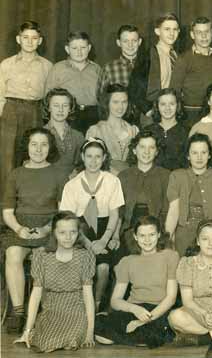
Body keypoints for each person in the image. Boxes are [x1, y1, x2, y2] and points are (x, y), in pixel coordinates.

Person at [2, 128, 64, 333]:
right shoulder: (16, 174)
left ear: (50, 147)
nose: (38, 149)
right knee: (13, 254)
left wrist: (48, 228)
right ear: (26, 147)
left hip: (50, 226)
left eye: (44, 144)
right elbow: (8, 211)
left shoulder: (58, 173)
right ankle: (18, 311)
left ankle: (39, 311)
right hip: (20, 227)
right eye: (34, 144)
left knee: (41, 257)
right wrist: (19, 229)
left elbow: (64, 209)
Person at [13, 211, 96, 352]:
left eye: (73, 232)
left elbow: (88, 296)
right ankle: (35, 334)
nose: (68, 237)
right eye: (62, 232)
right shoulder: (42, 256)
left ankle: (73, 336)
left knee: (72, 339)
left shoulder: (85, 256)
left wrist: (90, 332)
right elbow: (36, 296)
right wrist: (27, 330)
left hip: (76, 311)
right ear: (54, 233)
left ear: (78, 233)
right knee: (45, 341)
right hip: (51, 310)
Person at [59, 138, 124, 311]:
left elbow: (115, 214)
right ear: (82, 156)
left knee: (103, 267)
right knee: (81, 265)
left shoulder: (112, 181)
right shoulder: (72, 185)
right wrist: (87, 243)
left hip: (105, 229)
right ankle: (76, 306)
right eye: (89, 156)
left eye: (97, 156)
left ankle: (95, 308)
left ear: (104, 158)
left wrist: (104, 240)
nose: (93, 161)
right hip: (78, 231)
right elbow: (68, 220)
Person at [94, 216, 178, 348]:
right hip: (134, 308)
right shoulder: (127, 261)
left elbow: (171, 298)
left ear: (159, 234)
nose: (147, 240)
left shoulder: (170, 256)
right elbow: (115, 301)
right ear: (135, 236)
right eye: (142, 235)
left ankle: (132, 336)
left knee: (150, 334)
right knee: (98, 326)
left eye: (151, 235)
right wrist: (134, 309)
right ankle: (134, 337)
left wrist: (143, 321)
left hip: (158, 310)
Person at [0, 21, 53, 192]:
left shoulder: (47, 66)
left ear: (40, 41)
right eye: (25, 38)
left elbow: (48, 96)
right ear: (18, 39)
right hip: (11, 111)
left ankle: (28, 201)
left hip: (34, 111)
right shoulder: (6, 64)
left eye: (34, 38)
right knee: (8, 159)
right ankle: (5, 207)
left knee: (33, 156)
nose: (30, 42)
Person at [165, 133, 212, 256]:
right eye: (194, 153)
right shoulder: (177, 176)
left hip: (210, 234)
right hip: (184, 234)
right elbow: (173, 211)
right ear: (188, 156)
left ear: (210, 155)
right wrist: (168, 241)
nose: (199, 157)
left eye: (203, 152)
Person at [45, 31, 102, 134]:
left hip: (93, 115)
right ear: (67, 49)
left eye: (83, 48)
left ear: (89, 48)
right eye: (74, 48)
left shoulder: (96, 69)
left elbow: (103, 96)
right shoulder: (58, 68)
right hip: (68, 115)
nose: (79, 52)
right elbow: (47, 97)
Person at [118, 130, 170, 236]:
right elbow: (118, 213)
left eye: (151, 147)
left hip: (157, 230)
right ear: (134, 150)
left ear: (157, 152)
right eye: (142, 147)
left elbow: (167, 211)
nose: (147, 152)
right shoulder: (124, 176)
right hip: (129, 230)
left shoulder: (166, 176)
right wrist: (115, 237)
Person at [171, 17, 212, 129]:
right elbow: (174, 90)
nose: (204, 36)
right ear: (192, 35)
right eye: (199, 32)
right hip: (190, 114)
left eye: (206, 32)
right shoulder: (184, 59)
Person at [86, 84, 139, 174]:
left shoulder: (134, 131)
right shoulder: (95, 131)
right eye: (115, 102)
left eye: (124, 102)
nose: (120, 107)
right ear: (107, 103)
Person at [42, 88, 85, 179]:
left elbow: (84, 164)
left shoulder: (78, 136)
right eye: (56, 105)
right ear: (49, 107)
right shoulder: (40, 134)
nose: (60, 110)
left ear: (70, 108)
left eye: (65, 105)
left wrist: (77, 173)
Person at [144, 88, 189, 170]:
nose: (167, 108)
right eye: (163, 104)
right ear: (157, 106)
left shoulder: (186, 132)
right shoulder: (148, 130)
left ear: (178, 105)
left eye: (171, 104)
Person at [97, 24, 143, 99]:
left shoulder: (148, 65)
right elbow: (101, 97)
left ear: (140, 42)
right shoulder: (109, 68)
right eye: (125, 41)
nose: (130, 45)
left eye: (134, 41)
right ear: (118, 43)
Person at [146, 13, 180, 105]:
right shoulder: (149, 54)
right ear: (157, 31)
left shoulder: (178, 56)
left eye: (175, 29)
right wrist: (148, 110)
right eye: (167, 29)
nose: (172, 33)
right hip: (154, 111)